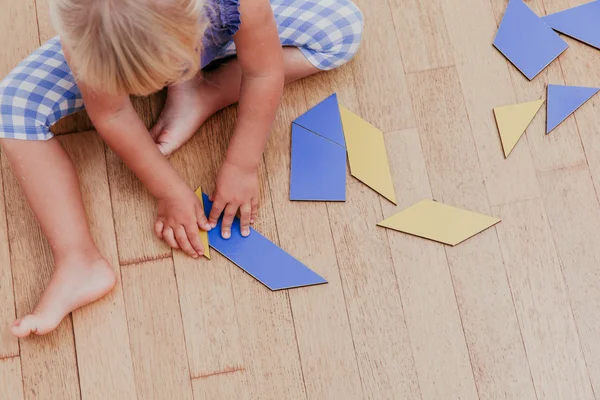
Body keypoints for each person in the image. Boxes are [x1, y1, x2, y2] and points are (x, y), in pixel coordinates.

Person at [0, 0, 363, 338]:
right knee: (11, 108)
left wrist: (242, 164)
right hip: (125, 39)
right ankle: (78, 260)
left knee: (344, 29)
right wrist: (169, 190)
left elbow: (264, 71)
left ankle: (206, 91)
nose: (149, 90)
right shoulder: (86, 25)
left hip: (217, 26)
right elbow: (111, 114)